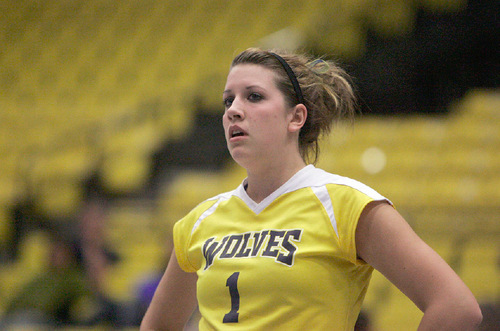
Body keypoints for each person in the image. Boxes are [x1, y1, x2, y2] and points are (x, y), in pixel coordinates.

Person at [141, 48, 482, 330]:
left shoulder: (347, 205)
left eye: (254, 97)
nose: (234, 111)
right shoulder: (199, 221)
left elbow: (456, 307)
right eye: (227, 101)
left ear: (296, 117)